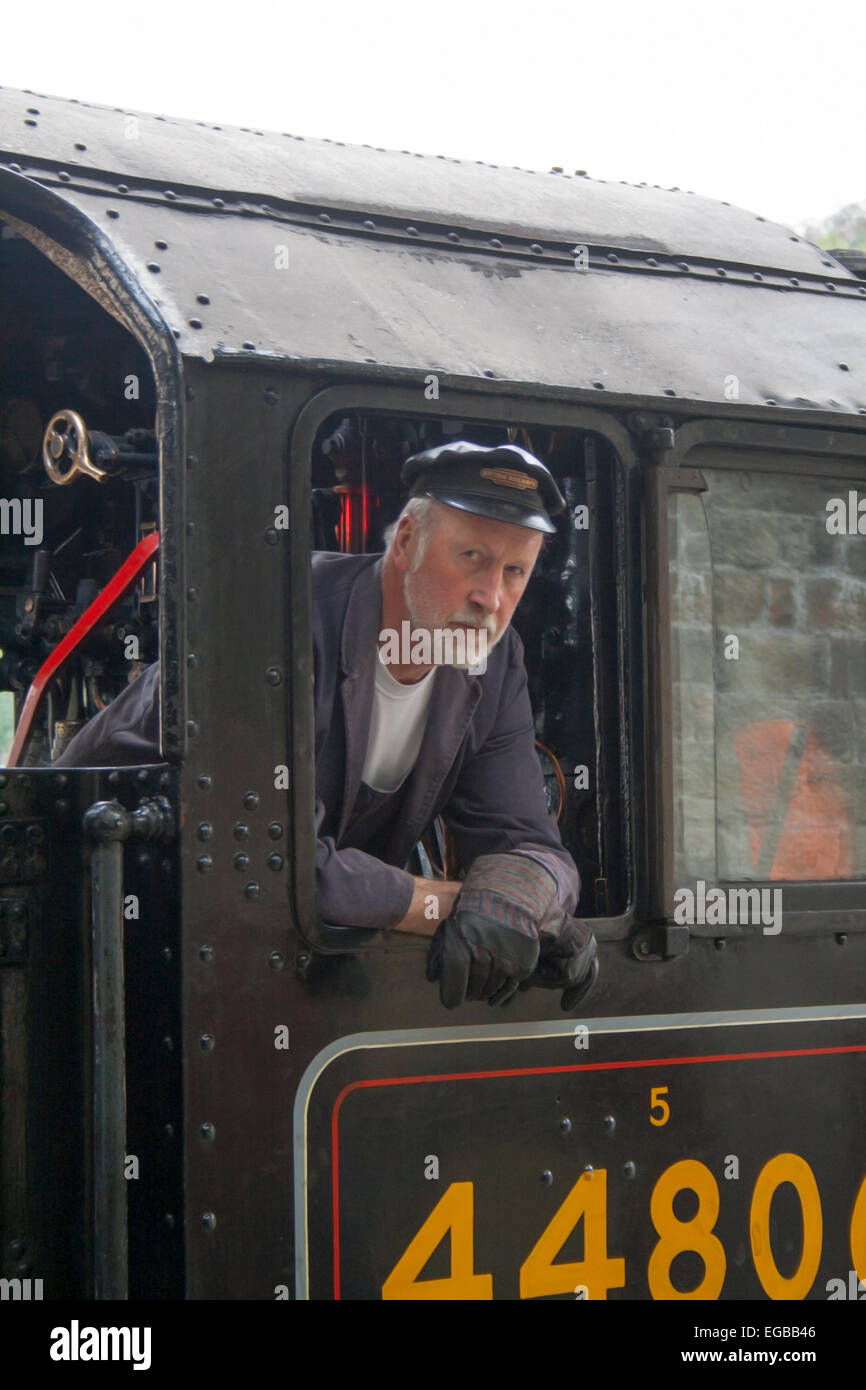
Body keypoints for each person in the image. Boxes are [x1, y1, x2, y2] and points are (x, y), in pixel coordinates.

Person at [56, 441, 598, 1009]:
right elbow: (265, 865)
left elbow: (531, 845)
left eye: (515, 571)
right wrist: (463, 906)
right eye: (472, 559)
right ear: (407, 543)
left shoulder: (497, 659)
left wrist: (519, 900)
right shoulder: (277, 618)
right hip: (104, 940)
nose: (491, 597)